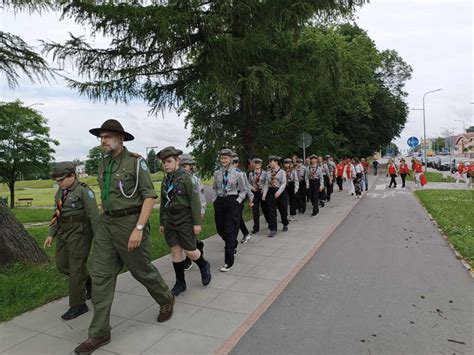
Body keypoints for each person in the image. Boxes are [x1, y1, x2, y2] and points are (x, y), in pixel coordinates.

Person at [75, 120, 175, 355]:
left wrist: (139, 228)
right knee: (101, 277)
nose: (103, 140)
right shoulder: (103, 163)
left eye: (107, 136)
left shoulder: (135, 162)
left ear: (120, 139)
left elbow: (149, 196)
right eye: (101, 137)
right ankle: (99, 333)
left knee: (142, 270)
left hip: (130, 223)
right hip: (107, 226)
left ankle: (166, 298)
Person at [44, 162, 99, 321]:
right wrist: (51, 233)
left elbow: (94, 216)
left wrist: (100, 240)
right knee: (62, 265)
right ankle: (87, 281)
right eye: (57, 181)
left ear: (72, 176)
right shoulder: (60, 191)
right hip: (63, 232)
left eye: (61, 180)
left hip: (80, 233)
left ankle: (78, 305)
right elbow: (56, 212)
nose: (58, 183)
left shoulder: (83, 191)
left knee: (76, 270)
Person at [158, 147, 211, 297]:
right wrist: (162, 222)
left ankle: (203, 264)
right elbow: (163, 203)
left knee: (190, 251)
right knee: (175, 251)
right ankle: (180, 282)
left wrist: (196, 223)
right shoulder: (165, 180)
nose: (166, 165)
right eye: (164, 162)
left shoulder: (187, 178)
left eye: (169, 161)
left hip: (185, 220)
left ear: (177, 161)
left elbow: (195, 201)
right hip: (170, 221)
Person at [212, 149, 247, 272]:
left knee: (229, 230)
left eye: (226, 158)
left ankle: (228, 261)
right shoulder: (217, 173)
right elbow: (215, 188)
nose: (223, 160)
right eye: (222, 158)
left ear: (231, 159)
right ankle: (233, 243)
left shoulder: (238, 173)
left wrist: (238, 201)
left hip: (232, 201)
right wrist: (215, 199)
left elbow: (243, 190)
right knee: (220, 229)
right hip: (220, 201)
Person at [179, 155, 206, 271]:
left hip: (193, 213)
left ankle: (189, 259)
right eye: (181, 166)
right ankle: (198, 245)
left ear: (191, 167)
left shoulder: (194, 180)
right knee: (188, 237)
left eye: (185, 166)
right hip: (182, 214)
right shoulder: (178, 179)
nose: (183, 169)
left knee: (188, 238)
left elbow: (201, 198)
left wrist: (201, 213)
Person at [262, 155, 288, 236]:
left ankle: (285, 223)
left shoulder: (282, 172)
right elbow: (266, 184)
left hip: (280, 191)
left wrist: (278, 192)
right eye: (269, 161)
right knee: (271, 211)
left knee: (282, 210)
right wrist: (264, 194)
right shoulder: (268, 172)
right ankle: (273, 229)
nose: (270, 163)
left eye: (271, 161)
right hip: (270, 192)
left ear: (276, 162)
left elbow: (284, 183)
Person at [232, 154, 254, 244]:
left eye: (235, 162)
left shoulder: (241, 173)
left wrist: (251, 198)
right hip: (229, 197)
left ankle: (234, 239)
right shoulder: (224, 173)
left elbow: (247, 186)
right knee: (236, 218)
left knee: (236, 217)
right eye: (232, 162)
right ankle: (245, 233)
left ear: (237, 163)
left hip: (239, 196)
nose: (234, 164)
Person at [248, 158, 269, 236]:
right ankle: (256, 228)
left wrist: (263, 190)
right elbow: (248, 183)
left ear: (261, 164)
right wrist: (252, 188)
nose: (257, 164)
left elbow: (266, 183)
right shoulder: (251, 174)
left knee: (265, 209)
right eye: (255, 163)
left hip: (262, 192)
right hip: (254, 193)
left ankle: (269, 221)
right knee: (255, 211)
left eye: (258, 163)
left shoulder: (265, 173)